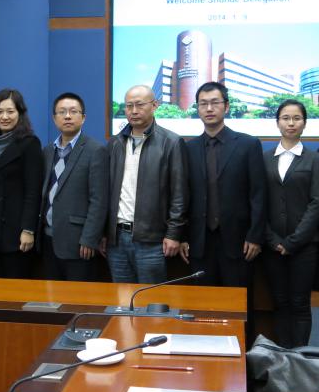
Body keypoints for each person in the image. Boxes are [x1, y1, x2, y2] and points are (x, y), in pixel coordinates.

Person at [181, 82, 266, 287]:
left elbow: (259, 194)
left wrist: (255, 236)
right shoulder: (188, 148)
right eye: (203, 104)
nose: (209, 109)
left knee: (238, 302)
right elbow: (183, 195)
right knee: (204, 302)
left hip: (239, 242)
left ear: (226, 106)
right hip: (199, 243)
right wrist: (182, 236)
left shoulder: (248, 145)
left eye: (215, 103)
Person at [105, 85, 187, 284]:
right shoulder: (115, 143)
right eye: (129, 106)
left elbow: (180, 194)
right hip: (116, 240)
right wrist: (103, 233)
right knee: (122, 298)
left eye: (140, 105)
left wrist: (174, 234)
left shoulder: (171, 142)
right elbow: (105, 192)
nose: (134, 111)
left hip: (152, 241)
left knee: (151, 299)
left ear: (154, 105)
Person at [261, 99, 319, 348]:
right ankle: (283, 357)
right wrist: (273, 240)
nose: (291, 123)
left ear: (304, 123)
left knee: (300, 304)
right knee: (279, 302)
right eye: (286, 118)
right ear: (277, 122)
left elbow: (317, 203)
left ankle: (299, 358)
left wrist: (294, 241)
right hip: (272, 246)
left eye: (296, 118)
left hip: (304, 246)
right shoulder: (264, 158)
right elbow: (258, 202)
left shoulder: (316, 159)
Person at [0, 89, 43, 278]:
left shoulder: (30, 144)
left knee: (16, 288)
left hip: (17, 231)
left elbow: (33, 191)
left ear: (20, 114)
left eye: (10, 111)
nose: (4, 117)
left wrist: (28, 229)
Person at [38, 92, 108, 281]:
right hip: (48, 240)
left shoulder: (95, 150)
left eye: (73, 111)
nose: (67, 116)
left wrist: (89, 239)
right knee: (51, 296)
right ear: (54, 119)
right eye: (62, 112)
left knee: (78, 296)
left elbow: (99, 200)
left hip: (78, 242)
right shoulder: (47, 151)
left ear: (83, 118)